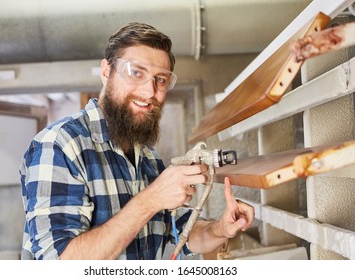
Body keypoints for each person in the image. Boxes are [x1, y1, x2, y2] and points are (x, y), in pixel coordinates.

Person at [19, 22, 254, 260]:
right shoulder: (59, 145)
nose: (149, 91)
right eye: (136, 72)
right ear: (106, 72)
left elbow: (180, 232)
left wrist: (220, 229)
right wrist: (150, 200)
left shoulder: (147, 156)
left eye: (160, 79)